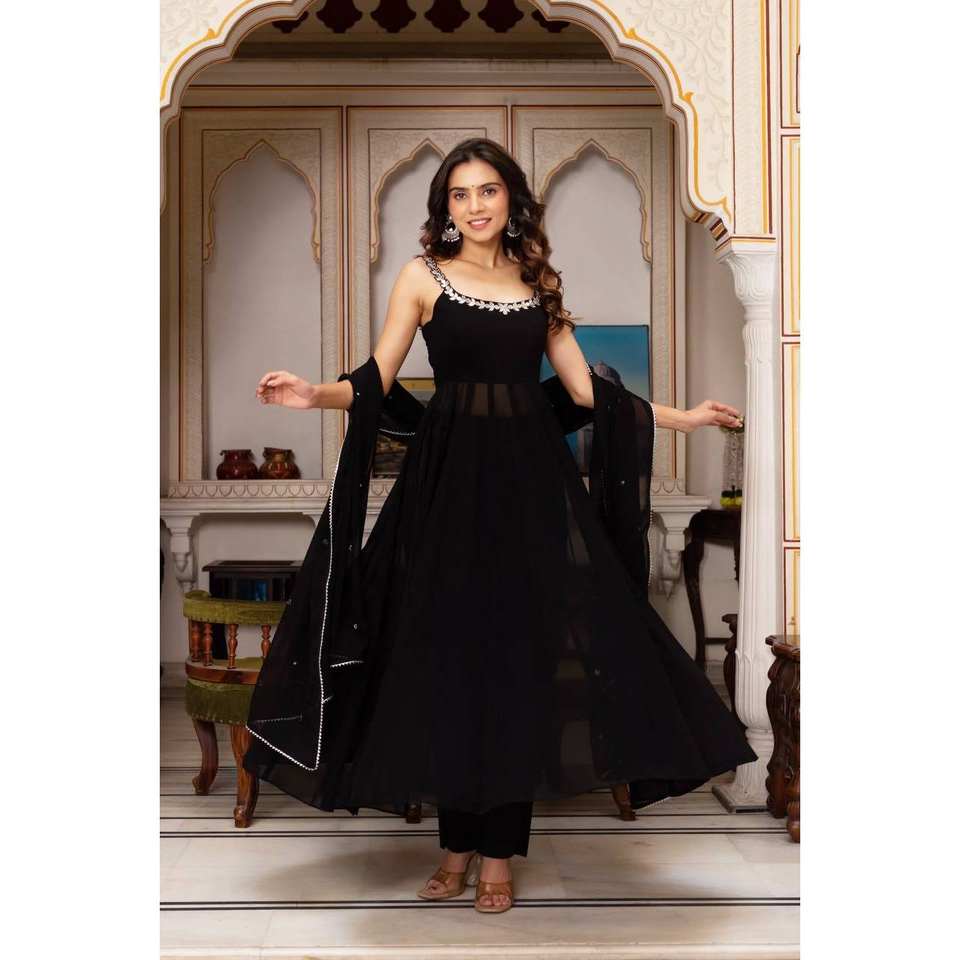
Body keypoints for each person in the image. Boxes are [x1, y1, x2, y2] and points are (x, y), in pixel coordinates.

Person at [242, 137, 757, 914]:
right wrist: (314, 395)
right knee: (447, 667)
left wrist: (682, 417)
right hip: (444, 495)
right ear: (445, 207)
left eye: (487, 190)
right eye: (460, 194)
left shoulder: (537, 281)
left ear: (511, 197)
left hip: (530, 495)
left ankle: (497, 858)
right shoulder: (422, 277)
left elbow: (583, 392)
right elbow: (376, 379)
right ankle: (454, 847)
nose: (475, 205)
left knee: (515, 669)